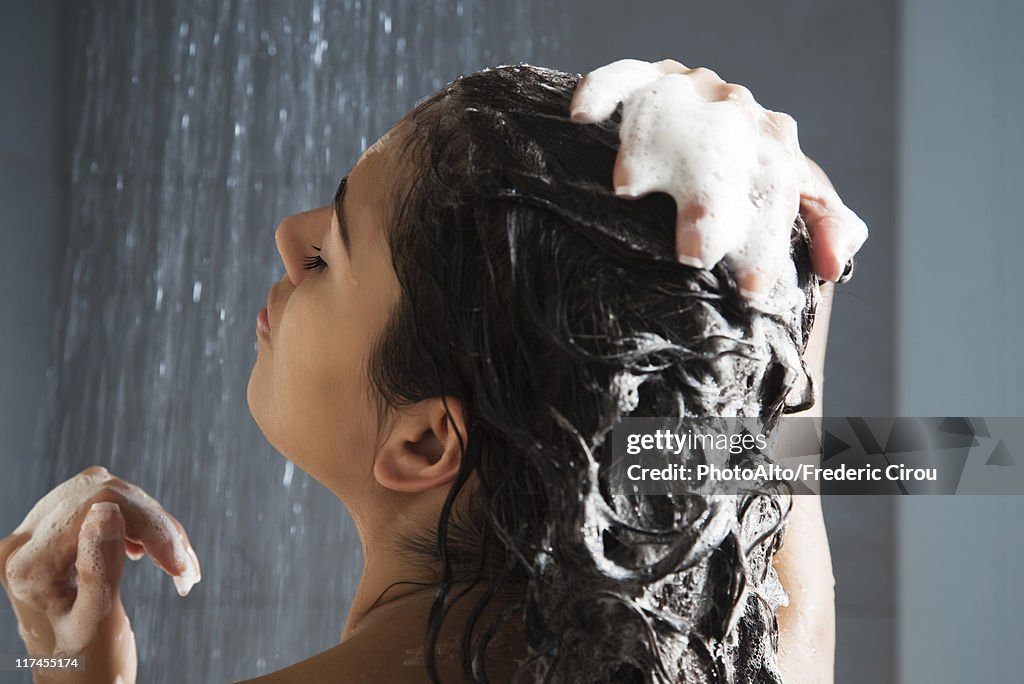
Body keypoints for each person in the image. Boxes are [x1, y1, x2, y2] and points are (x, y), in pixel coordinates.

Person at [0, 62, 860, 683]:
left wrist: (61, 664)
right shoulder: (756, 651)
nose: (289, 236)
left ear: (421, 440)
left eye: (330, 256)